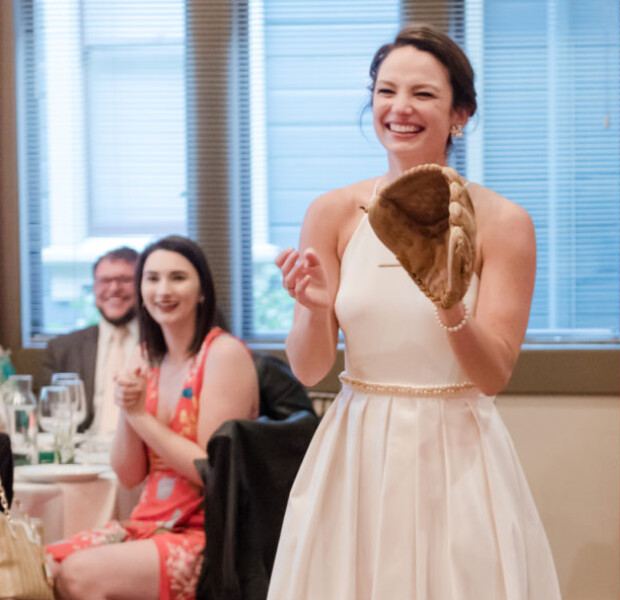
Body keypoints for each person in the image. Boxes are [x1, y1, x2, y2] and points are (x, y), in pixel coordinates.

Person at [268, 25, 561, 600]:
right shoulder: (332, 212)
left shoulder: (503, 222)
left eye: (423, 94)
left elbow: (493, 375)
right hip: (357, 446)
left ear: (460, 114)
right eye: (386, 91)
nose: (400, 107)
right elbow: (309, 369)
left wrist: (449, 304)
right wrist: (312, 308)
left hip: (457, 448)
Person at [46, 235, 259, 600]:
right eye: (152, 278)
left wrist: (139, 415)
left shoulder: (223, 353)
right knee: (42, 565)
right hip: (149, 524)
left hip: (207, 536)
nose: (163, 290)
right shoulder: (145, 356)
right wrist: (127, 412)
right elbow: (129, 475)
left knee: (78, 575)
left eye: (178, 277)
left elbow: (211, 469)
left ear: (202, 291)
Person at [42, 246, 140, 434]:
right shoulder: (62, 348)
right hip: (82, 448)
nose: (114, 288)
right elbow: (48, 417)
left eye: (125, 280)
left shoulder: (162, 344)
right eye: (104, 280)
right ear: (94, 288)